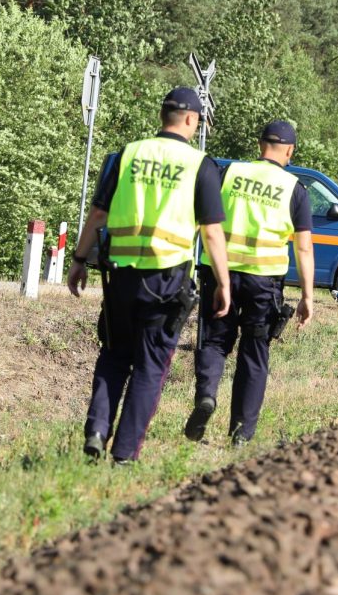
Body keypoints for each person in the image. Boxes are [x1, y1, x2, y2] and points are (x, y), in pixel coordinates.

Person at [66, 87, 231, 463]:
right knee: (150, 367)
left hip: (121, 276)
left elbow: (97, 214)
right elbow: (212, 233)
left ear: (163, 116)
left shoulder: (129, 154)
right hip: (166, 282)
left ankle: (96, 431)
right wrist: (223, 283)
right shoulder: (199, 165)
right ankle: (124, 454)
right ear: (191, 120)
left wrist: (78, 259)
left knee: (113, 356)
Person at [186, 119, 315, 446]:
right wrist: (307, 297)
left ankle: (206, 396)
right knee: (254, 353)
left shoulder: (228, 174)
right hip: (264, 283)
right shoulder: (294, 190)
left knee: (214, 341)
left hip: (220, 275)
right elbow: (303, 247)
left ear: (259, 145)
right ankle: (241, 433)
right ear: (289, 150)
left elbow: (204, 220)